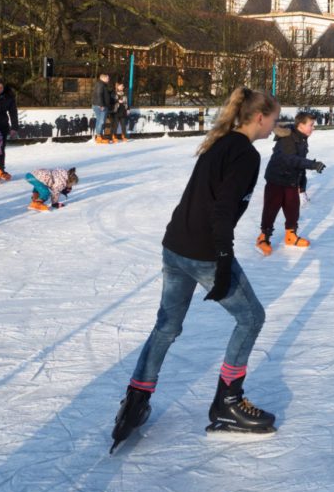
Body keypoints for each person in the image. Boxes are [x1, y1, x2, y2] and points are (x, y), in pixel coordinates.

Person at [111, 87, 281, 452]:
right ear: (259, 117)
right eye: (274, 118)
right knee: (251, 318)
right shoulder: (245, 154)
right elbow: (222, 212)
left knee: (166, 327)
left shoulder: (218, 142)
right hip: (203, 251)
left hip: (175, 246)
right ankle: (229, 403)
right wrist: (222, 262)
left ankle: (136, 399)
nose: (275, 126)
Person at [257, 111, 325, 253]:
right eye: (311, 125)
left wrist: (302, 184)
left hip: (290, 179)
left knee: (293, 207)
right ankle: (263, 237)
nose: (313, 128)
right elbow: (291, 159)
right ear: (300, 125)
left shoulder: (302, 138)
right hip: (276, 178)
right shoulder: (288, 138)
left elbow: (298, 165)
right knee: (271, 208)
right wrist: (312, 164)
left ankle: (290, 235)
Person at [91, 73, 113, 144]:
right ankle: (99, 137)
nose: (108, 79)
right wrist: (101, 105)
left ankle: (99, 135)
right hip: (100, 106)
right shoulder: (100, 84)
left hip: (101, 105)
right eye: (107, 78)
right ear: (103, 78)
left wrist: (110, 92)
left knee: (99, 121)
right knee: (101, 121)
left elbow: (104, 95)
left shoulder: (103, 85)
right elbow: (99, 94)